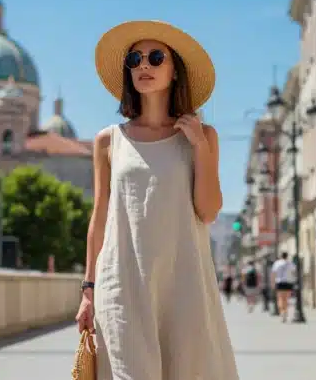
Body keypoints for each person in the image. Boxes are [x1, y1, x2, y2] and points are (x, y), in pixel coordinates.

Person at [74, 20, 239, 380]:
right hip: (122, 283)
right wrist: (88, 289)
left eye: (155, 57)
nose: (143, 65)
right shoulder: (108, 140)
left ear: (175, 71)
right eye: (134, 59)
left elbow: (208, 210)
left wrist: (197, 145)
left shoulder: (203, 136)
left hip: (183, 282)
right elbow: (100, 214)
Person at [271, 252, 296, 322]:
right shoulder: (291, 263)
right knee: (286, 299)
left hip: (280, 282)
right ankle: (285, 312)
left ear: (281, 256)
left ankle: (282, 313)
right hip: (288, 283)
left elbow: (273, 273)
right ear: (287, 256)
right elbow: (294, 273)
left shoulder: (277, 263)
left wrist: (272, 283)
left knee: (280, 298)